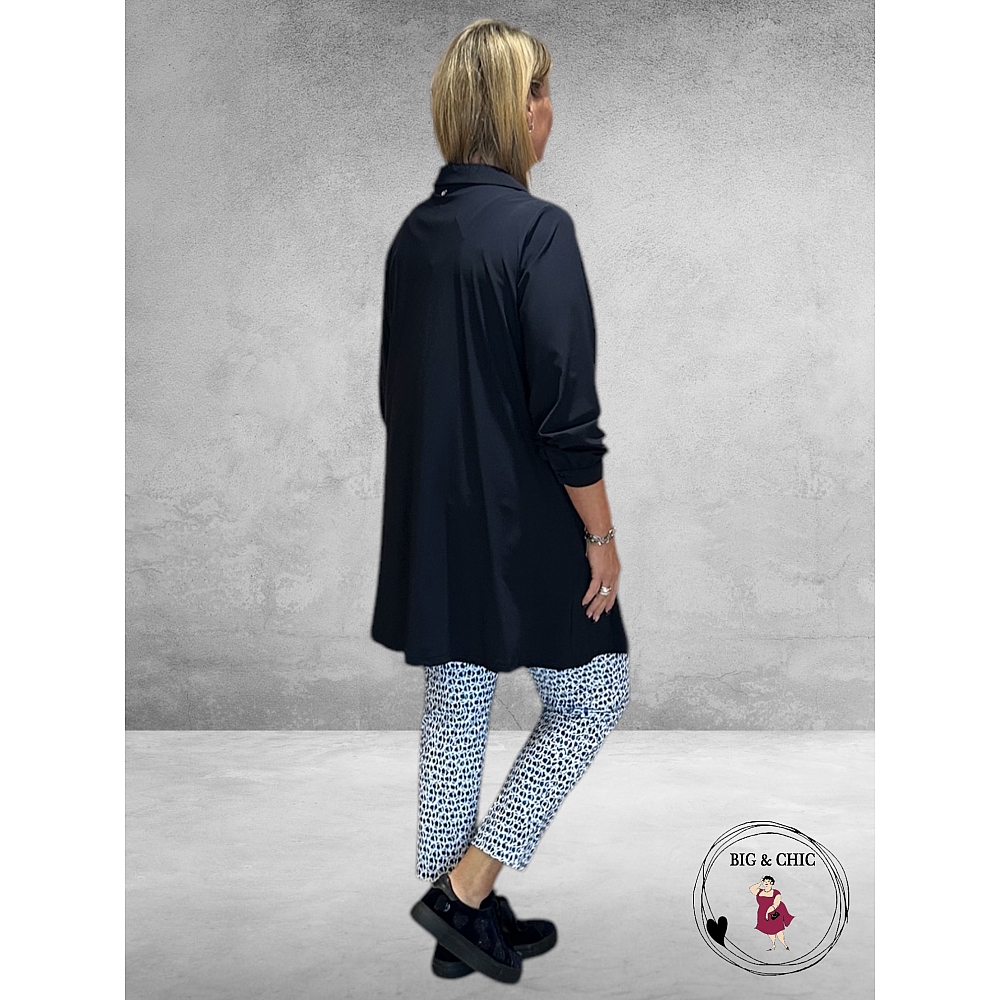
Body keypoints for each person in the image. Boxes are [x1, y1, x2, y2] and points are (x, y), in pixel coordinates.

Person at [371, 18, 630, 984]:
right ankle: (466, 888)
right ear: (515, 109)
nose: (550, 111)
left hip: (434, 518)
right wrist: (599, 532)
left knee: (459, 699)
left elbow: (396, 394)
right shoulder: (538, 229)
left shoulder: (414, 234)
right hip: (525, 517)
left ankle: (458, 926)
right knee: (595, 692)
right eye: (540, 92)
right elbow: (567, 410)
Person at [749, 876, 795, 951]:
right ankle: (773, 944)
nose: (766, 883)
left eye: (768, 881)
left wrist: (768, 912)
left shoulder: (776, 892)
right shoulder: (759, 891)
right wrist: (759, 883)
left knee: (778, 930)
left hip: (774, 913)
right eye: (765, 881)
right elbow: (751, 889)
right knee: (769, 930)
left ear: (772, 883)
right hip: (762, 913)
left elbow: (776, 904)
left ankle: (784, 944)